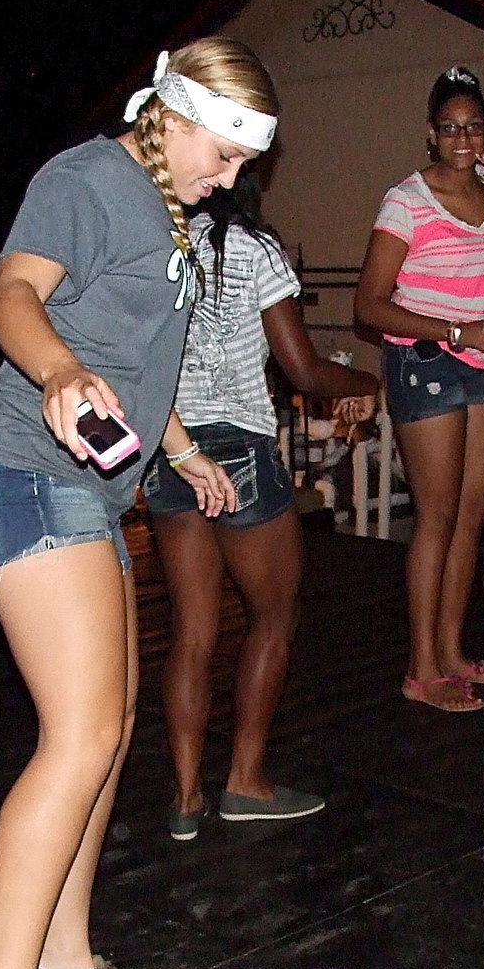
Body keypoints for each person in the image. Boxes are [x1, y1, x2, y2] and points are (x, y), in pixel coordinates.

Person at [0, 37, 279, 969]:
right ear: (170, 115)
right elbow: (12, 297)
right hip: (21, 478)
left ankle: (64, 958)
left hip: (89, 489)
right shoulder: (86, 179)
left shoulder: (176, 217)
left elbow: (135, 371)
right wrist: (58, 371)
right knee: (77, 734)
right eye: (219, 155)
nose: (228, 180)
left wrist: (178, 452)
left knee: (111, 729)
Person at [144, 175, 381, 840]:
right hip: (238, 450)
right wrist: (366, 382)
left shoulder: (155, 243)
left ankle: (186, 798)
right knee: (273, 616)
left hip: (172, 449)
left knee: (190, 636)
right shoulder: (254, 249)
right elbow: (304, 373)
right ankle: (244, 782)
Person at [354, 65, 484, 712]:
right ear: (431, 135)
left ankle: (454, 654)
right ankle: (422, 669)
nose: (463, 137)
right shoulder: (405, 201)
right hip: (426, 358)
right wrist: (456, 328)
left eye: (474, 126)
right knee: (434, 517)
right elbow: (370, 306)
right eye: (450, 127)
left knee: (471, 515)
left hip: (483, 366)